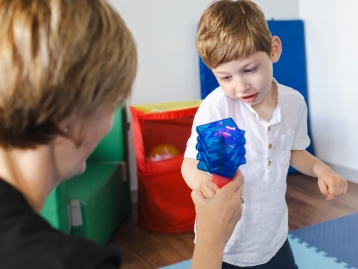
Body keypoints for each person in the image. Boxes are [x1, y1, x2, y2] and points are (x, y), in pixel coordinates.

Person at [0, 0, 243, 268]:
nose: (110, 125)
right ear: (66, 117)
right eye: (113, 102)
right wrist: (211, 240)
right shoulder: (72, 261)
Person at [181, 0, 348, 268]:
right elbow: (189, 163)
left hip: (273, 239)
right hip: (227, 246)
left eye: (249, 69)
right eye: (225, 77)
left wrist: (323, 171)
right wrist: (205, 185)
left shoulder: (293, 103)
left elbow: (293, 151)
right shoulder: (217, 108)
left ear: (273, 50)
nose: (241, 85)